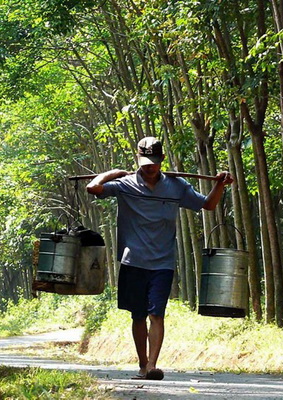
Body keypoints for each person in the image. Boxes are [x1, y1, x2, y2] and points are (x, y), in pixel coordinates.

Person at [86, 136, 233, 381]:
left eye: (154, 161)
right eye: (144, 161)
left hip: (163, 262)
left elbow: (207, 205)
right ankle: (142, 365)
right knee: (137, 315)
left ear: (162, 159)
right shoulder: (125, 184)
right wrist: (112, 173)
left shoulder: (177, 186)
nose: (149, 166)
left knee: (157, 314)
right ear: (137, 159)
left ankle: (153, 365)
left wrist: (220, 184)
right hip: (133, 260)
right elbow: (93, 188)